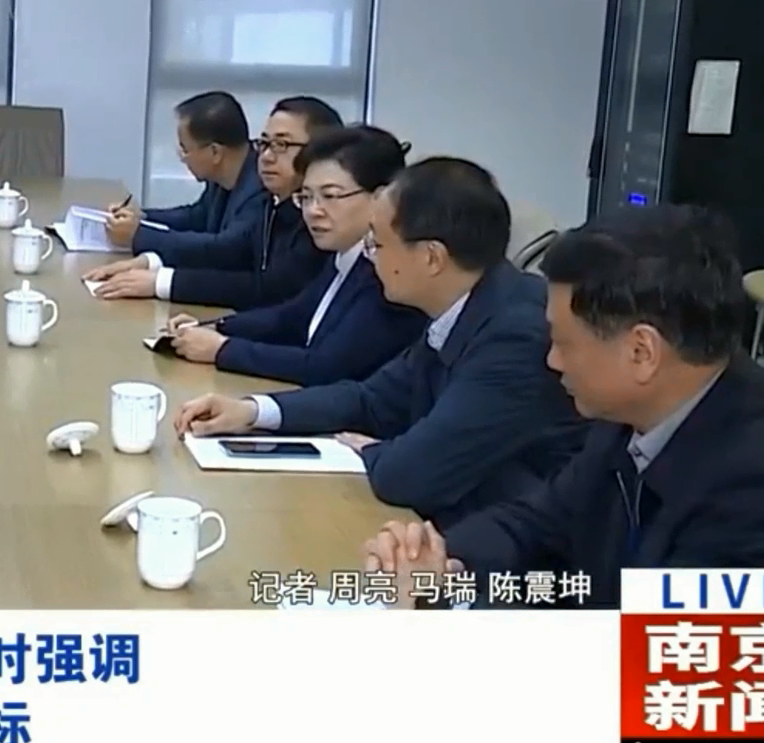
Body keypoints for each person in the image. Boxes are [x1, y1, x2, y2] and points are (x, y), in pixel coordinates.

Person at [359, 204, 764, 743]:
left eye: (564, 343)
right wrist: (441, 563)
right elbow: (538, 522)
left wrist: (454, 618)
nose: (551, 361)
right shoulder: (638, 413)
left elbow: (676, 695)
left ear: (641, 352)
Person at [172, 157, 585, 527]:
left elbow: (410, 475)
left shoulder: (516, 335)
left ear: (432, 257)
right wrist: (252, 411)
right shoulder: (465, 304)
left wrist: (379, 451)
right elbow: (372, 399)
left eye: (378, 244)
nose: (370, 257)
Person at [161, 125, 427, 385]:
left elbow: (325, 367)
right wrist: (215, 326)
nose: (313, 211)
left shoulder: (390, 271)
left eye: (330, 196)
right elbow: (292, 316)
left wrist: (222, 349)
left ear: (381, 198)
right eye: (306, 197)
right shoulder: (344, 255)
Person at [87, 96, 337, 309]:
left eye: (281, 145)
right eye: (265, 143)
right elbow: (229, 248)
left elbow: (256, 280)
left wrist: (160, 279)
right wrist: (150, 259)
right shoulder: (274, 200)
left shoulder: (299, 211)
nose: (267, 156)